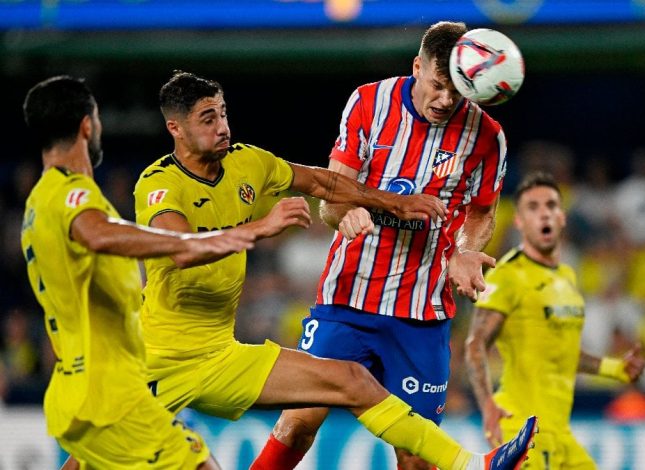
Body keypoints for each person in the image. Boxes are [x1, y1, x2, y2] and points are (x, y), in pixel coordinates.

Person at [134, 70, 538, 470]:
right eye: (208, 119)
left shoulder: (247, 161)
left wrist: (394, 203)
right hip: (159, 361)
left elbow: (323, 184)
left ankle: (473, 465)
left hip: (222, 355)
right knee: (107, 457)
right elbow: (180, 248)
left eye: (223, 113)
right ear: (176, 128)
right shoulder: (159, 183)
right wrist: (260, 228)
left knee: (352, 382)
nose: (223, 127)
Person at [258, 20, 518, 470]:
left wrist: (463, 251)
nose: (446, 100)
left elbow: (481, 212)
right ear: (417, 67)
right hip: (348, 298)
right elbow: (332, 196)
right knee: (299, 421)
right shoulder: (368, 102)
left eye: (457, 90)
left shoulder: (487, 136)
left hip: (422, 312)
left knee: (416, 457)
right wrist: (345, 213)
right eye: (437, 85)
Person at [19, 76, 259, 469]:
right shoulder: (69, 193)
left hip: (79, 387)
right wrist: (192, 243)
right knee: (199, 463)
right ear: (86, 125)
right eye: (97, 118)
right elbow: (97, 233)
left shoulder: (37, 203)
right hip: (106, 388)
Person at [465, 172, 645, 469]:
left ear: (562, 217)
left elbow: (562, 352)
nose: (544, 213)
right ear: (519, 222)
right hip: (521, 428)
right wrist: (487, 405)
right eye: (533, 207)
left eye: (550, 205)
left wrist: (615, 368)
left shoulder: (567, 276)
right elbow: (475, 344)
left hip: (560, 433)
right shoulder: (507, 276)